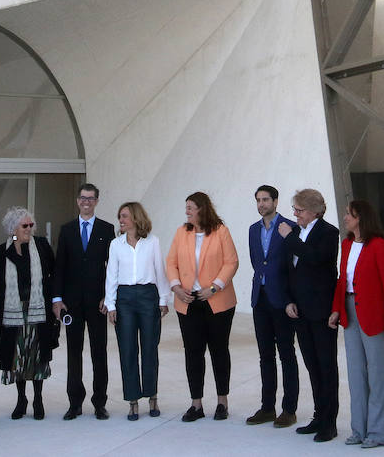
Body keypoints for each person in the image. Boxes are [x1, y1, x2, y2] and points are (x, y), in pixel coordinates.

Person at [329, 198, 384, 449]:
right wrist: (336, 309)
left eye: (350, 214)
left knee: (377, 374)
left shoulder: (379, 246)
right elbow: (342, 280)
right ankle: (359, 429)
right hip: (350, 312)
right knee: (355, 373)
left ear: (361, 218)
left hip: (374, 315)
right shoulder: (347, 244)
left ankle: (379, 432)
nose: (346, 218)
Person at [164, 190, 239, 422]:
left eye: (190, 207)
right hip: (188, 301)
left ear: (201, 209)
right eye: (186, 207)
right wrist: (176, 287)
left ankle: (222, 402)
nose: (186, 211)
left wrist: (214, 287)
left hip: (217, 301)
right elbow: (171, 263)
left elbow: (231, 262)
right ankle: (196, 404)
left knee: (219, 351)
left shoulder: (221, 232)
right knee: (193, 353)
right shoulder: (181, 232)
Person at [279, 187, 340, 443]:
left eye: (299, 210)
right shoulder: (296, 232)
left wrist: (290, 238)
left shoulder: (328, 232)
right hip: (300, 310)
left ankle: (330, 421)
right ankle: (318, 415)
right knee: (312, 365)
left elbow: (315, 259)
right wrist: (288, 300)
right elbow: (289, 270)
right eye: (295, 209)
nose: (295, 214)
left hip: (321, 310)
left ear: (315, 211)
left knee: (326, 366)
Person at [51, 182, 115, 420]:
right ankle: (74, 403)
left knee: (100, 353)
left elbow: (112, 268)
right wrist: (57, 299)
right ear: (78, 201)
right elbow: (60, 267)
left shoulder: (107, 229)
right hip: (72, 303)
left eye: (91, 199)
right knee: (74, 353)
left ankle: (100, 403)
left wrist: (108, 297)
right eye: (83, 198)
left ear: (96, 201)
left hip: (98, 303)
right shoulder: (66, 230)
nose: (86, 202)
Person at [104, 201, 171, 420]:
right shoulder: (116, 244)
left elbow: (159, 271)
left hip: (147, 296)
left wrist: (163, 298)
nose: (121, 220)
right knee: (128, 350)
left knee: (150, 348)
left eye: (124, 216)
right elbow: (111, 276)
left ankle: (152, 396)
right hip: (124, 299)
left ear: (135, 217)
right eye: (119, 216)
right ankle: (132, 400)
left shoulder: (152, 242)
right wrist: (111, 305)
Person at [0, 206, 59, 421]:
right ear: (13, 227)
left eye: (31, 225)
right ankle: (21, 399)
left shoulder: (41, 246)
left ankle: (38, 399)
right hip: (13, 313)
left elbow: (54, 274)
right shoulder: (1, 252)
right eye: (25, 226)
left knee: (37, 356)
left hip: (38, 311)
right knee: (17, 358)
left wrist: (56, 302)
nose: (29, 229)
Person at [246, 183, 299, 428]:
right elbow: (257, 262)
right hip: (261, 298)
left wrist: (291, 298)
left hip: (282, 299)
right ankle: (267, 407)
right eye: (258, 200)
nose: (261, 204)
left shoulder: (289, 227)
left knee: (287, 355)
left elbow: (294, 265)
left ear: (276, 202)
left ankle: (289, 409)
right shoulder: (253, 230)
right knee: (265, 355)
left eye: (266, 199)